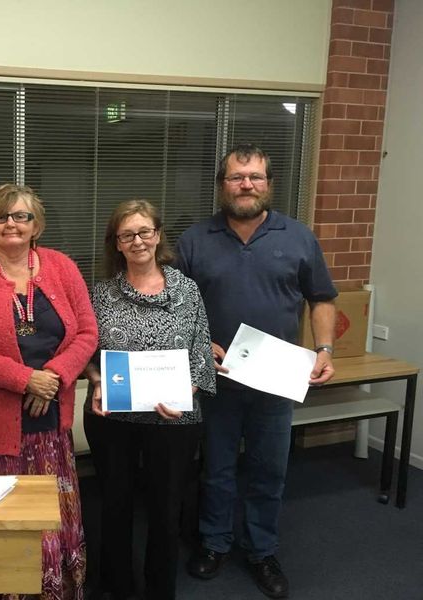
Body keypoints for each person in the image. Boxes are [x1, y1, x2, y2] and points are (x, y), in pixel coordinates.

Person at [176, 144, 337, 599]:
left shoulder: (299, 237)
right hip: (218, 378)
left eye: (255, 177)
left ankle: (262, 550)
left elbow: (321, 298)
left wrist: (324, 348)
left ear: (268, 184)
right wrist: (199, 342)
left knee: (270, 470)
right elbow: (178, 306)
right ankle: (213, 543)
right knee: (217, 469)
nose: (246, 185)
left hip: (276, 379)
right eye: (236, 177)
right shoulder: (194, 240)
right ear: (222, 185)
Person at [0, 183, 97, 600]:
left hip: (50, 425)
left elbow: (86, 332)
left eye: (21, 216)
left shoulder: (62, 267)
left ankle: (54, 590)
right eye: (1, 216)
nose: (11, 223)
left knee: (49, 519)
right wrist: (25, 379)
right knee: (2, 520)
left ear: (36, 224)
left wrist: (55, 375)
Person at [82, 200, 216, 600]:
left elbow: (201, 356)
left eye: (145, 231)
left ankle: (160, 589)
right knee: (115, 505)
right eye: (127, 235)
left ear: (158, 236)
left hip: (173, 420)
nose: (138, 240)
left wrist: (183, 392)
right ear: (117, 244)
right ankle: (117, 586)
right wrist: (96, 382)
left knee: (165, 507)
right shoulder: (100, 294)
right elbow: (85, 354)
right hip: (113, 419)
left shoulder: (187, 291)